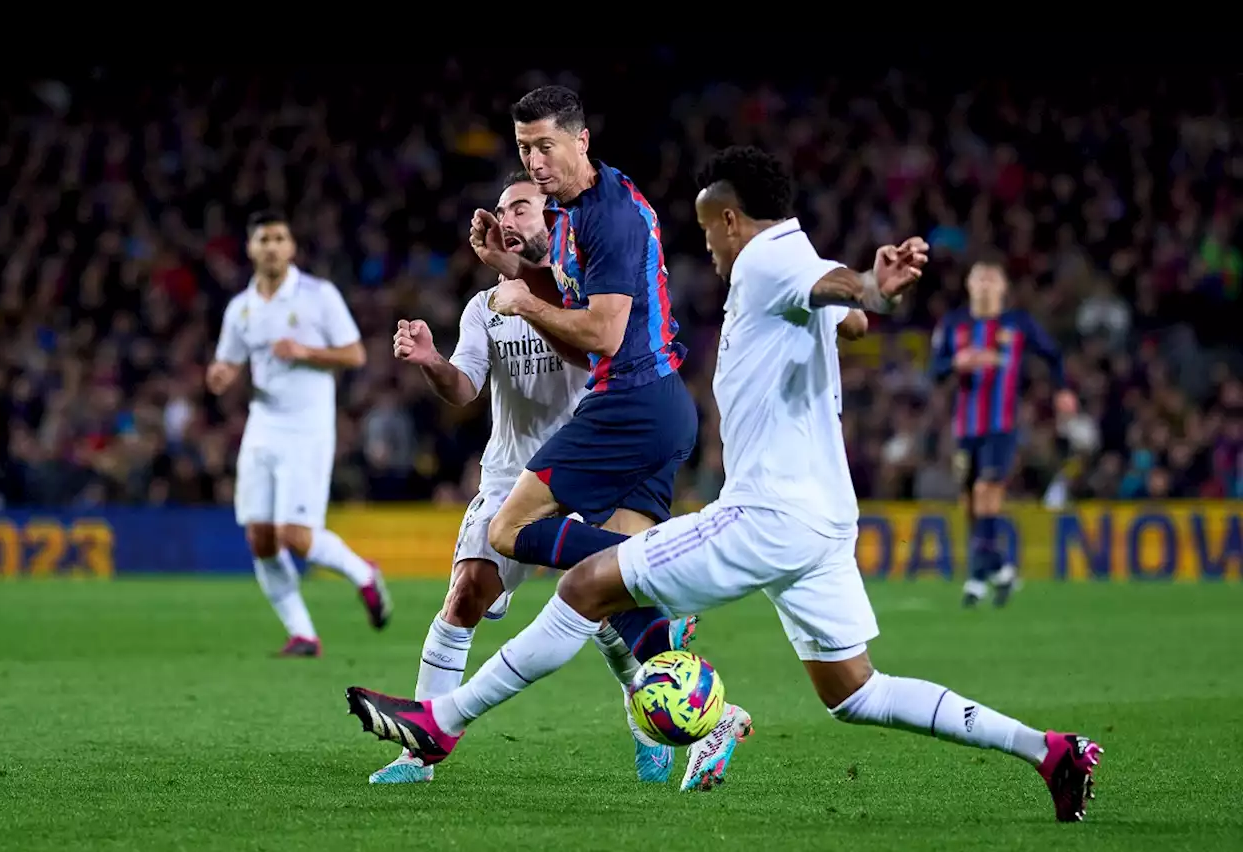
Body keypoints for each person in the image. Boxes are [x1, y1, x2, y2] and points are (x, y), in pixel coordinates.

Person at [346, 147, 1104, 822]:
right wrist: (864, 298)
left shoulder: (769, 260)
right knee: (856, 693)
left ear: (733, 220)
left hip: (764, 513)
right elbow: (847, 314)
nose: (705, 247)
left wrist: (874, 284)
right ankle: (1049, 751)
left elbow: (849, 295)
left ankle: (440, 721)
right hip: (823, 523)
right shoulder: (791, 261)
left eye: (709, 231)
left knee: (584, 585)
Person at [378, 171, 692, 785]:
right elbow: (464, 389)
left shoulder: (581, 289)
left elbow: (597, 351)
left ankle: (647, 723)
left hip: (592, 465)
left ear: (553, 218)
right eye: (502, 209)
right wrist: (432, 362)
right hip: (510, 474)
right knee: (467, 593)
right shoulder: (485, 307)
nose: (509, 218)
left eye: (522, 207)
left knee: (605, 608)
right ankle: (420, 750)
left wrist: (526, 287)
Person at [466, 88, 711, 688]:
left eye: (546, 146)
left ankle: (672, 575)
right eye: (525, 148)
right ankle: (712, 719)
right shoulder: (575, 212)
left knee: (508, 530)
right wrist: (516, 271)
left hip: (630, 399)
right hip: (657, 402)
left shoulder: (608, 217)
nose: (535, 162)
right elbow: (577, 332)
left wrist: (522, 301)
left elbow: (602, 334)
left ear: (581, 140)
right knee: (600, 582)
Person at [208, 209, 389, 657]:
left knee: (296, 536)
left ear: (291, 248)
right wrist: (221, 374)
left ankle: (363, 573)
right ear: (250, 249)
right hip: (262, 426)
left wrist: (305, 351)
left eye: (279, 238)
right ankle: (303, 633)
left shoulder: (317, 296)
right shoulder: (241, 308)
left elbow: (354, 354)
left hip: (308, 428)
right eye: (263, 239)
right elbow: (228, 362)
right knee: (260, 537)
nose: (271, 246)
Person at [930, 259, 1077, 607]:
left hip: (1002, 426)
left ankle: (977, 580)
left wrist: (1063, 390)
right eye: (977, 277)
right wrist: (956, 363)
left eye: (991, 278)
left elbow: (1053, 356)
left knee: (985, 492)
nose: (983, 284)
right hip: (965, 428)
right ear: (968, 285)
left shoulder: (1018, 324)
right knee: (969, 503)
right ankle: (1000, 570)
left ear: (1003, 287)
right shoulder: (953, 325)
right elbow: (933, 371)